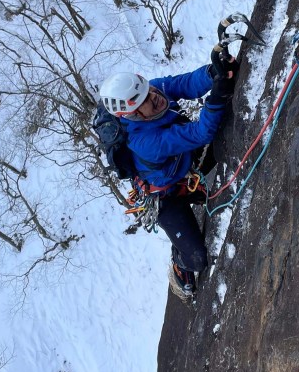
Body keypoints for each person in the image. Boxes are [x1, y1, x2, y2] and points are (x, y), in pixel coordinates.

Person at [98, 51, 238, 299]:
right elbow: (200, 133)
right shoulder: (143, 142)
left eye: (150, 91)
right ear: (133, 114)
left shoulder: (148, 92)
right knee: (197, 259)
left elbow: (185, 84)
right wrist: (217, 97)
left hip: (183, 162)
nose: (155, 97)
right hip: (166, 197)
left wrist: (213, 73)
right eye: (147, 101)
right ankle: (179, 265)